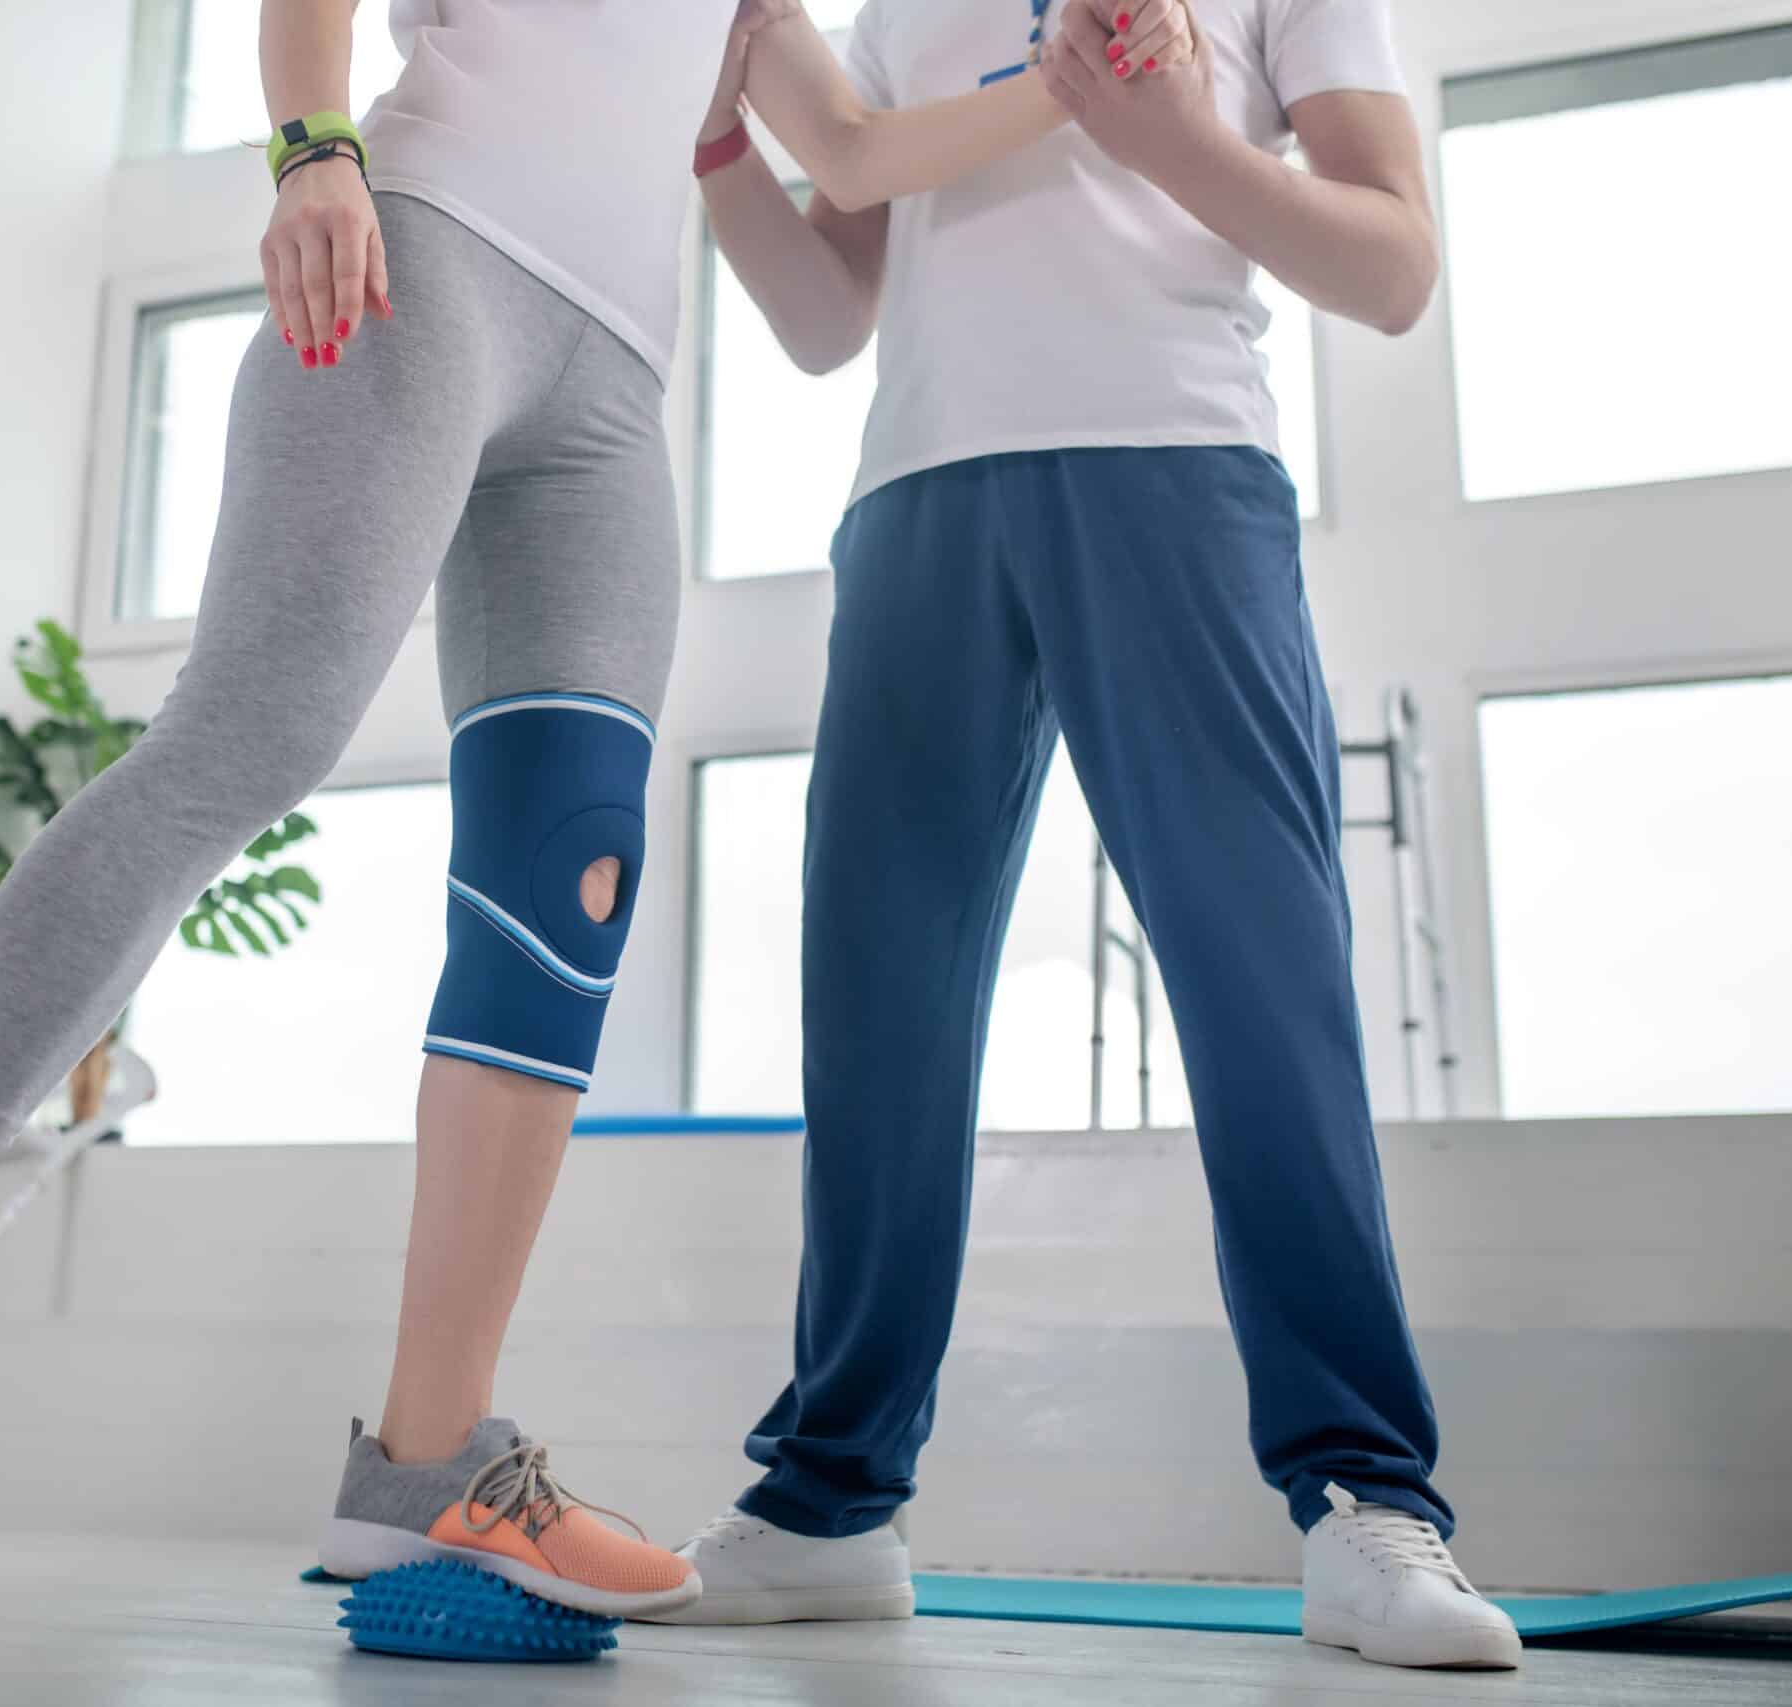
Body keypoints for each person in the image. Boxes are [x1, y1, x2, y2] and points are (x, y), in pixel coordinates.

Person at [0, 0, 1171, 1616]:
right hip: (420, 258)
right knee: (243, 742)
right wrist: (311, 152)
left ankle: (427, 1461)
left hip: (610, 389)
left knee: (572, 868)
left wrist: (1073, 84)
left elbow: (850, 147)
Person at [653, 0, 1527, 1672]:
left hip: (1176, 466)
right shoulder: (896, 11)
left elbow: (1393, 267)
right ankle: (829, 1506)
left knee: (1263, 994)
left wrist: (1174, 141)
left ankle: (1363, 1494)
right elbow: (828, 320)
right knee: (878, 1015)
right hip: (918, 496)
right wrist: (716, 150)